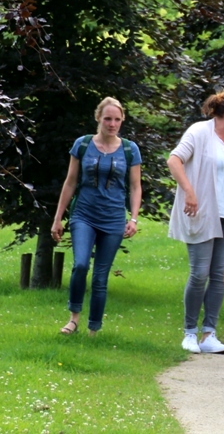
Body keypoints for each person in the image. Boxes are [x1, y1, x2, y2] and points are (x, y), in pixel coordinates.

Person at [51, 97, 142, 336]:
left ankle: (94, 329)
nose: (112, 124)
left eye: (117, 119)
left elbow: (135, 187)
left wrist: (133, 218)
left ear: (122, 121)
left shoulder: (130, 150)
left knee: (101, 276)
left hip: (113, 219)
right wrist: (58, 218)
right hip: (84, 214)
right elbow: (70, 182)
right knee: (81, 265)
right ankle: (73, 319)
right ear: (98, 118)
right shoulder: (82, 145)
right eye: (107, 119)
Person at [168, 90, 224, 354]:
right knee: (199, 273)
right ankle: (190, 332)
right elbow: (174, 160)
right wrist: (189, 192)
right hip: (202, 213)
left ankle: (209, 334)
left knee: (219, 275)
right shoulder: (200, 132)